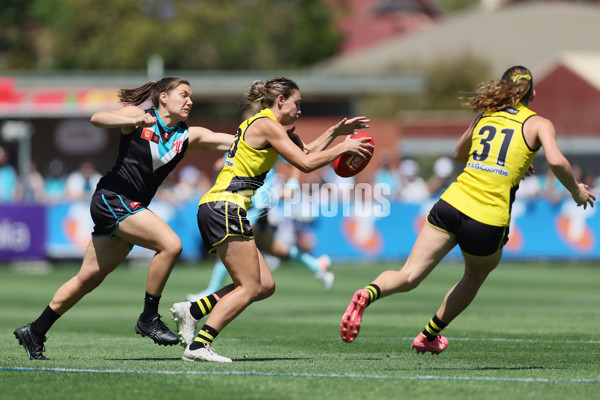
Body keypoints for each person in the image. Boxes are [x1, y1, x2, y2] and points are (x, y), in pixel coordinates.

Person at [340, 65, 595, 355]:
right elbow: (558, 162)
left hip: (451, 203)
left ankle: (368, 293)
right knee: (474, 277)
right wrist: (576, 190)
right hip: (487, 218)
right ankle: (429, 335)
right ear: (533, 93)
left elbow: (460, 153)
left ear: (502, 88)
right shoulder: (538, 123)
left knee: (409, 275)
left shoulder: (487, 114)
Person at [14, 76, 234, 360]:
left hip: (128, 206)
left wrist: (278, 138)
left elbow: (238, 141)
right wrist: (137, 120)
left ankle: (35, 330)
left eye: (191, 96)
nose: (190, 100)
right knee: (171, 245)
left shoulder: (187, 136)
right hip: (111, 198)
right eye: (184, 94)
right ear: (163, 98)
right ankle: (149, 316)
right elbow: (97, 118)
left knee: (89, 277)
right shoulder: (140, 116)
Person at [171, 77, 373, 362]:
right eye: (297, 103)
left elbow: (304, 152)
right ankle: (199, 345)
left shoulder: (267, 125)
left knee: (264, 285)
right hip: (225, 207)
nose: (300, 109)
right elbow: (304, 164)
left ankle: (192, 311)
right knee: (250, 286)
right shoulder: (266, 124)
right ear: (281, 101)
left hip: (223, 207)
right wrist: (342, 148)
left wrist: (335, 133)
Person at [184, 158, 333, 303]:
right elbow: (221, 164)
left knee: (231, 245)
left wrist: (292, 184)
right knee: (276, 249)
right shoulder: (243, 139)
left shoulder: (269, 138)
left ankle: (211, 290)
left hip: (256, 205)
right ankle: (316, 265)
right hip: (243, 203)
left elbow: (298, 159)